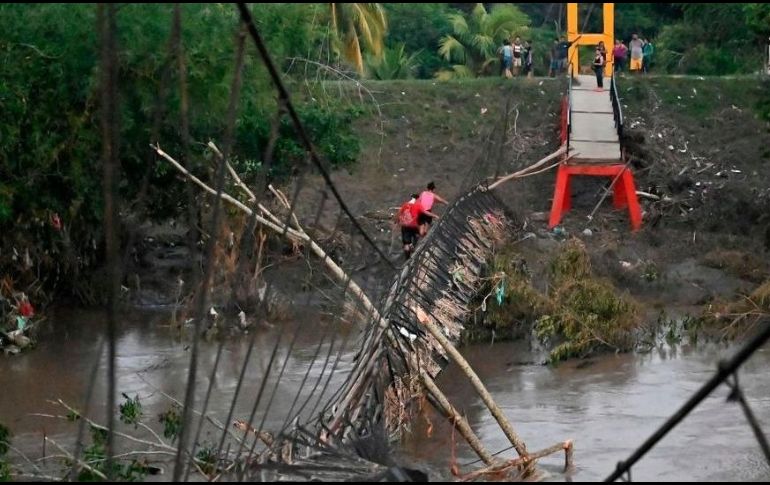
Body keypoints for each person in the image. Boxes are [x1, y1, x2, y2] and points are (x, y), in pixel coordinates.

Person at [396, 193, 421, 259]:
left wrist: (398, 221)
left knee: (406, 243)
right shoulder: (418, 205)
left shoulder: (405, 204)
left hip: (405, 225)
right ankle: (413, 245)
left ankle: (407, 258)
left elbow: (399, 214)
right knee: (417, 235)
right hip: (414, 225)